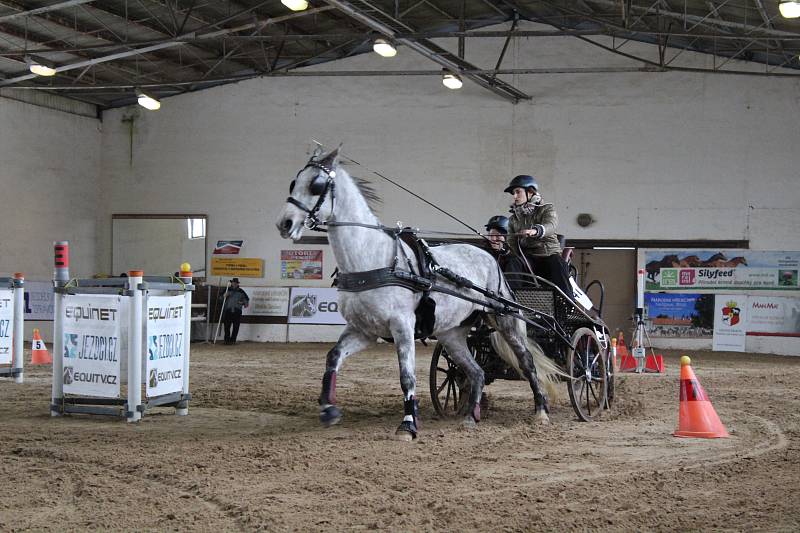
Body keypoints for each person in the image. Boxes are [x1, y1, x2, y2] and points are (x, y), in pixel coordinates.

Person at [504, 175, 572, 297]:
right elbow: (511, 243)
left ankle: (567, 302)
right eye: (513, 193)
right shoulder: (513, 219)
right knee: (513, 262)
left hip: (548, 255)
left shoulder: (547, 209)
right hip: (529, 258)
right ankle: (512, 299)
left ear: (530, 192)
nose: (515, 196)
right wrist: (505, 250)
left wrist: (535, 231)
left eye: (518, 192)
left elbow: (551, 225)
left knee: (558, 262)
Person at [483, 215, 528, 289]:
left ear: (507, 237)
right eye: (491, 235)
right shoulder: (485, 251)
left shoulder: (516, 255)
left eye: (497, 235)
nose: (493, 239)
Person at [220, 278, 249, 345]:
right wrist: (224, 296)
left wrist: (242, 303)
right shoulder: (227, 290)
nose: (235, 284)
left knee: (236, 327)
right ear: (232, 283)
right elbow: (220, 299)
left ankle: (233, 340)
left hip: (237, 311)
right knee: (227, 326)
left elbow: (246, 301)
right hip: (228, 310)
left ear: (238, 284)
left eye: (236, 283)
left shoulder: (241, 291)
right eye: (233, 282)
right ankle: (227, 340)